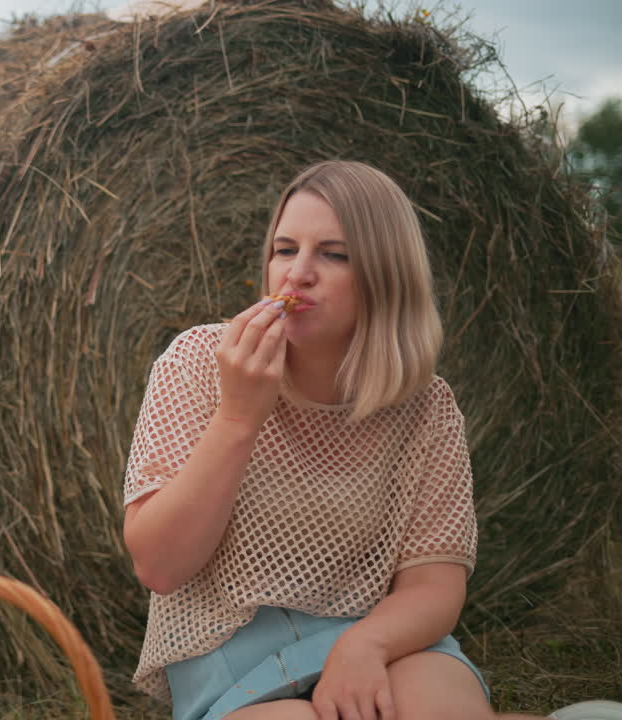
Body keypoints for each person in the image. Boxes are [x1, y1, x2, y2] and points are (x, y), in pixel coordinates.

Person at [121, 161, 621, 720]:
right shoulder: (197, 364)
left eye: (334, 255)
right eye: (285, 250)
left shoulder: (427, 407)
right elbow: (159, 567)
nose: (298, 273)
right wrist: (239, 419)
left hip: (383, 642)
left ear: (386, 275)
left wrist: (364, 646)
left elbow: (434, 586)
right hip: (231, 662)